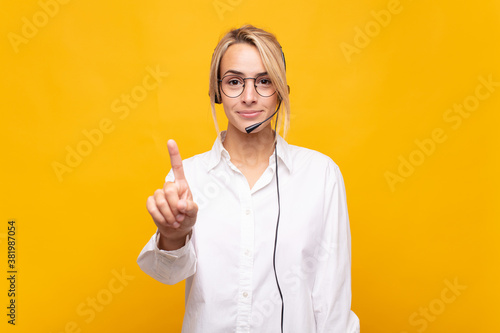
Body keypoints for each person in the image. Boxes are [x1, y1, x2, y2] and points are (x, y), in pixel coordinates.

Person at [137, 24, 360, 333]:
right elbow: (166, 274)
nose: (249, 97)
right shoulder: (189, 179)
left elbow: (332, 298)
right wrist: (173, 235)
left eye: (264, 81)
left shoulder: (320, 175)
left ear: (281, 90)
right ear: (217, 91)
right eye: (234, 82)